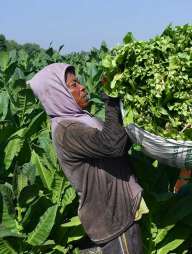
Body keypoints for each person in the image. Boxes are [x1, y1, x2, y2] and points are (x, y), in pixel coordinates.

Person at [28, 63, 145, 254]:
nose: (82, 87)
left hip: (117, 214)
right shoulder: (68, 131)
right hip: (113, 220)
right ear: (58, 93)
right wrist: (112, 101)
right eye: (73, 85)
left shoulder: (81, 118)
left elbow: (120, 143)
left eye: (79, 82)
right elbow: (112, 145)